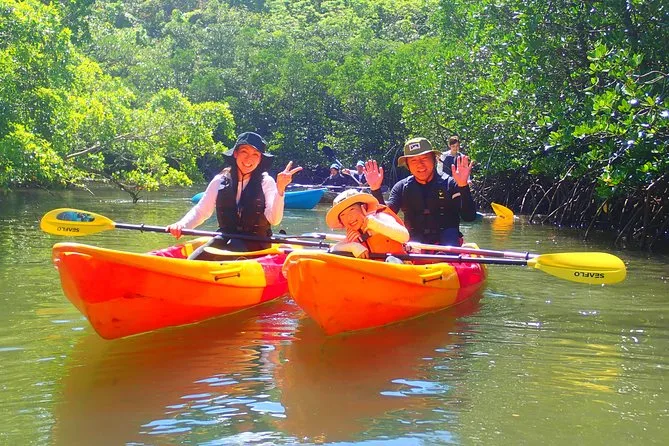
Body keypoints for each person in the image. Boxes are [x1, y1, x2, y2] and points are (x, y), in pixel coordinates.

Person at [167, 131, 302, 259]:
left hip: (257, 242)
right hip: (225, 237)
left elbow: (274, 220)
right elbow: (201, 211)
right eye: (244, 152)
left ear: (260, 159)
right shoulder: (220, 180)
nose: (249, 159)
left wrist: (280, 189)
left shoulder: (266, 182)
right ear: (236, 154)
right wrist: (182, 225)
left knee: (232, 248)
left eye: (255, 154)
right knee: (196, 259)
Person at [365, 136, 476, 246]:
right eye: (413, 160)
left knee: (449, 235)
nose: (420, 165)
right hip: (414, 243)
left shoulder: (450, 184)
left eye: (424, 158)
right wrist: (375, 189)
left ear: (434, 159)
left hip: (448, 244)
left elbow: (469, 217)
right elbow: (385, 219)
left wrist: (463, 186)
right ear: (407, 165)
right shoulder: (401, 187)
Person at [325, 189, 409, 259]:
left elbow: (404, 236)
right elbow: (334, 249)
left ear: (363, 208)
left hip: (398, 265)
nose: (349, 218)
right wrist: (352, 246)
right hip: (372, 270)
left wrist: (375, 225)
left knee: (391, 260)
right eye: (343, 215)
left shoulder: (380, 217)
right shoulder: (353, 233)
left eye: (352, 210)